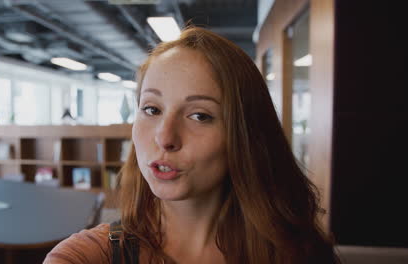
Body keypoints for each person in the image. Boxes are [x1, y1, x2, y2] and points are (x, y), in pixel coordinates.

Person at [44, 27, 340, 264]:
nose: (165, 137)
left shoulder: (300, 253)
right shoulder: (90, 255)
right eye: (152, 109)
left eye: (200, 115)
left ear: (245, 136)